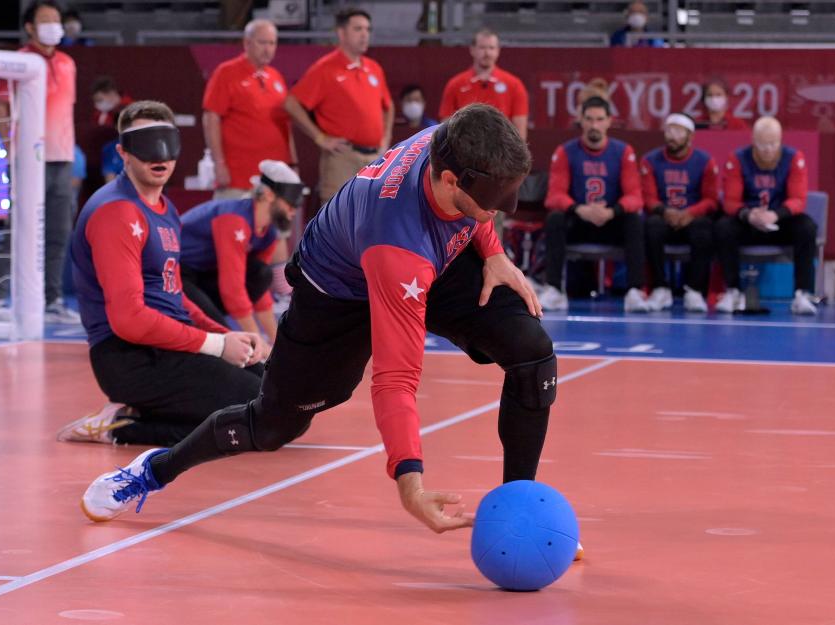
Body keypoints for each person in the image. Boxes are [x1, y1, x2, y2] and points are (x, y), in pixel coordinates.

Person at [79, 104, 558, 537]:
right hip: (339, 295)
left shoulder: (457, 136)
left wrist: (493, 252)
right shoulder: (397, 243)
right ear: (452, 180)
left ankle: (519, 511)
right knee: (271, 426)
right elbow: (395, 379)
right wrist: (411, 486)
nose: (500, 211)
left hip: (431, 256)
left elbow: (479, 207)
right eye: (495, 202)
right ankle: (153, 470)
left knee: (531, 351)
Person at [57, 100, 270, 447]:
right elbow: (129, 320)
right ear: (124, 153)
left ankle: (142, 413)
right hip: (131, 358)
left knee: (272, 393)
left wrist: (229, 335)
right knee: (259, 415)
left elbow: (174, 294)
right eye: (145, 144)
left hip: (167, 347)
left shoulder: (164, 207)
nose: (159, 156)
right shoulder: (117, 212)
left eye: (166, 144)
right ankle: (123, 427)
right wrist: (217, 346)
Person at [0, 0, 79, 323]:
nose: (54, 25)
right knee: (16, 229)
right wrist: (9, 148)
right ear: (30, 27)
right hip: (28, 160)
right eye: (46, 20)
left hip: (62, 159)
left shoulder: (69, 63)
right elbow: (1, 107)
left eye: (57, 20)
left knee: (58, 232)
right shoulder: (17, 61)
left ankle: (52, 299)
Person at [539, 96, 649, 312]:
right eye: (589, 119)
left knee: (634, 220)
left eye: (599, 119)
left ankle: (634, 291)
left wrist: (611, 212)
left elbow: (635, 196)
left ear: (609, 121)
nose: (594, 125)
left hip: (610, 222)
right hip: (579, 222)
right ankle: (554, 289)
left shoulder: (623, 152)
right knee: (554, 218)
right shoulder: (566, 151)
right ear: (581, 120)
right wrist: (580, 209)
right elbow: (554, 196)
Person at [179, 160, 305, 343]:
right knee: (226, 337)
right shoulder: (234, 220)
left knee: (261, 273)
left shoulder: (268, 232)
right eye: (290, 203)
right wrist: (258, 343)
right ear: (269, 195)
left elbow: (260, 289)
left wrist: (279, 343)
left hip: (205, 275)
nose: (293, 210)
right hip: (177, 273)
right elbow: (232, 287)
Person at [285, 8, 394, 202]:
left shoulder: (373, 68)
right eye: (358, 29)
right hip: (342, 157)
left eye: (367, 30)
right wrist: (320, 138)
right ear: (341, 33)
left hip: (374, 157)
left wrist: (385, 139)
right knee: (335, 216)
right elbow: (292, 104)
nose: (364, 35)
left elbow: (388, 106)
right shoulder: (325, 68)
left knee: (371, 214)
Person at [714, 116, 818, 315]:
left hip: (780, 221)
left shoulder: (794, 157)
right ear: (753, 141)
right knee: (723, 227)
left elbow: (798, 200)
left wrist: (775, 215)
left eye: (773, 143)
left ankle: (801, 294)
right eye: (763, 144)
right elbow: (730, 201)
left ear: (780, 141)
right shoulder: (737, 158)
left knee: (807, 227)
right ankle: (733, 290)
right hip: (749, 221)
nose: (768, 149)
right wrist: (748, 214)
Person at [202, 19, 297, 200]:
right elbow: (211, 118)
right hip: (239, 177)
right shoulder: (226, 72)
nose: (268, 49)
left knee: (277, 228)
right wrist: (218, 164)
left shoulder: (275, 77)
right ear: (246, 43)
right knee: (235, 226)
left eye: (272, 43)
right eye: (262, 42)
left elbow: (285, 124)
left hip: (275, 180)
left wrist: (292, 162)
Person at [641, 113, 719, 313]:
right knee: (651, 226)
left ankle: (694, 290)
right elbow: (648, 197)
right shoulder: (650, 160)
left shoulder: (705, 161)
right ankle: (660, 288)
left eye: (678, 131)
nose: (672, 135)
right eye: (668, 130)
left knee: (704, 227)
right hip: (664, 218)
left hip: (691, 220)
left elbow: (711, 199)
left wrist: (690, 213)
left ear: (690, 136)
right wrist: (665, 211)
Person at [438, 28, 528, 140]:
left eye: (491, 48)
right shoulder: (455, 84)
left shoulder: (514, 84)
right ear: (472, 50)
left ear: (498, 51)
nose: (487, 53)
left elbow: (520, 130)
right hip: (464, 149)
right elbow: (445, 126)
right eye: (482, 47)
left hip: (501, 151)